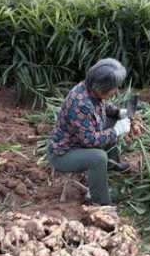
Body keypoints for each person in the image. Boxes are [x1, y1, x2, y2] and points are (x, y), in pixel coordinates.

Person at [47, 58, 132, 206]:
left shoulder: (91, 89)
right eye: (114, 88)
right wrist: (116, 131)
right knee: (98, 158)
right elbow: (90, 140)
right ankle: (100, 201)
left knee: (112, 120)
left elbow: (104, 106)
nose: (116, 91)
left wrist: (120, 113)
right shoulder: (80, 104)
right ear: (101, 87)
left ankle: (112, 164)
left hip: (79, 140)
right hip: (64, 153)